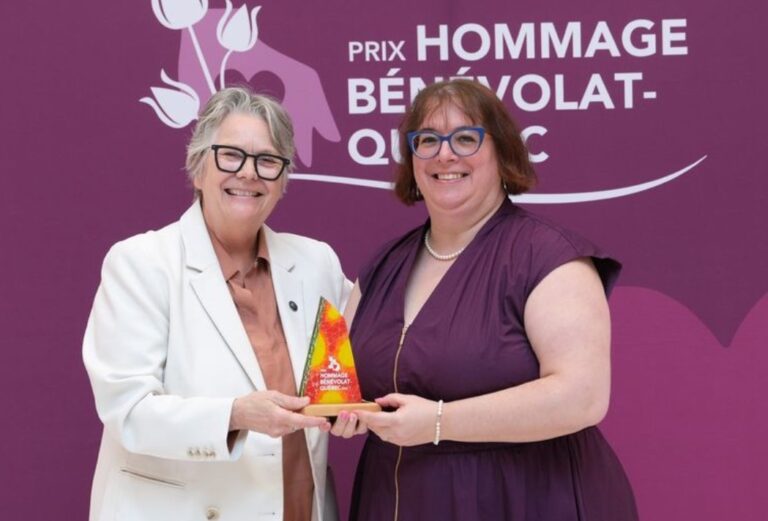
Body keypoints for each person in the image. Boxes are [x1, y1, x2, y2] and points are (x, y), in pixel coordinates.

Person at [331, 79, 638, 520]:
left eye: (465, 138)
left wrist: (438, 422)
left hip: (526, 500)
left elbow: (582, 397)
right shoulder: (383, 265)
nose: (444, 155)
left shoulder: (548, 256)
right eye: (427, 140)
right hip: (399, 500)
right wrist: (342, 414)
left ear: (502, 152)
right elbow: (345, 388)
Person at [83, 87, 350, 521]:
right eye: (230, 155)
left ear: (283, 180)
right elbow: (128, 411)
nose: (248, 173)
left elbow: (361, 361)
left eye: (267, 161)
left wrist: (353, 410)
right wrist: (236, 414)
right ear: (198, 169)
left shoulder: (315, 263)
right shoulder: (141, 263)